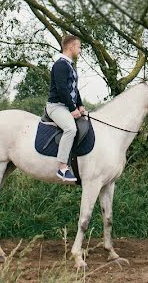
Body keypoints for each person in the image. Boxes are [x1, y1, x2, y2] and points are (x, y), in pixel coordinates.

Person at [46, 34, 87, 183]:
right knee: (71, 128)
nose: (80, 50)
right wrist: (72, 108)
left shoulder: (70, 65)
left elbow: (74, 89)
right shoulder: (61, 65)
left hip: (66, 106)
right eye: (79, 47)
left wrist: (80, 105)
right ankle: (62, 168)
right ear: (71, 47)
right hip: (56, 106)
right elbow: (62, 89)